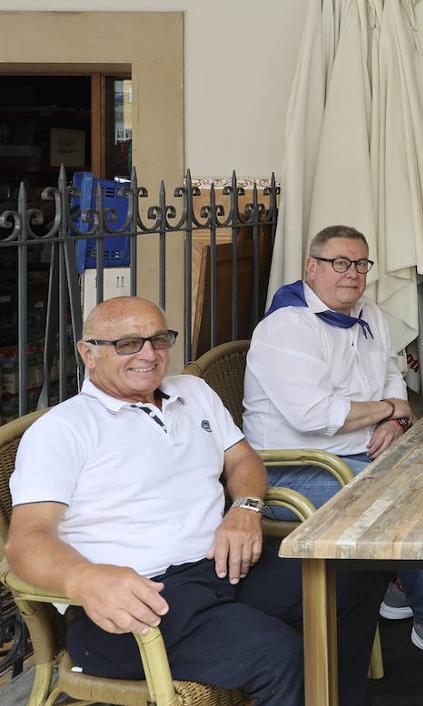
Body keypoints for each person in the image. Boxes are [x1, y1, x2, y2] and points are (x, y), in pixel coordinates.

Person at [5, 297, 383, 706]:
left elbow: (242, 459)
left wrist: (246, 509)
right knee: (276, 656)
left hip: (224, 566)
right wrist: (86, 579)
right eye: (129, 344)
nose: (148, 354)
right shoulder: (63, 429)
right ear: (88, 352)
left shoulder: (193, 391)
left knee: (355, 575)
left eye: (158, 339)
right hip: (141, 600)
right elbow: (27, 541)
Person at [243, 224, 423, 670]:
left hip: (364, 452)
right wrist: (387, 409)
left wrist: (394, 415)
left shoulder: (368, 310)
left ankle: (403, 582)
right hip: (293, 469)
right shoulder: (286, 329)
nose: (351, 273)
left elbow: (392, 374)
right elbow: (313, 416)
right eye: (339, 263)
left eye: (360, 263)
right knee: (398, 505)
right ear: (311, 268)